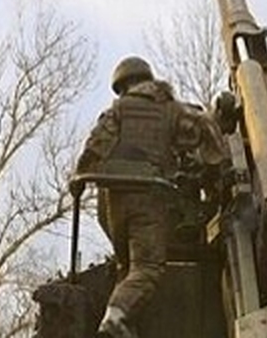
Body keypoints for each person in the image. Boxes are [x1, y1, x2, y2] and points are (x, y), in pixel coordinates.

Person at [74, 56, 226, 338]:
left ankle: (126, 325)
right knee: (147, 268)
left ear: (124, 86)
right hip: (148, 195)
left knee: (127, 267)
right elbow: (205, 129)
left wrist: (80, 178)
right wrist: (216, 171)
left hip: (111, 201)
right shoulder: (170, 110)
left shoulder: (117, 110)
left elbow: (94, 148)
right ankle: (115, 319)